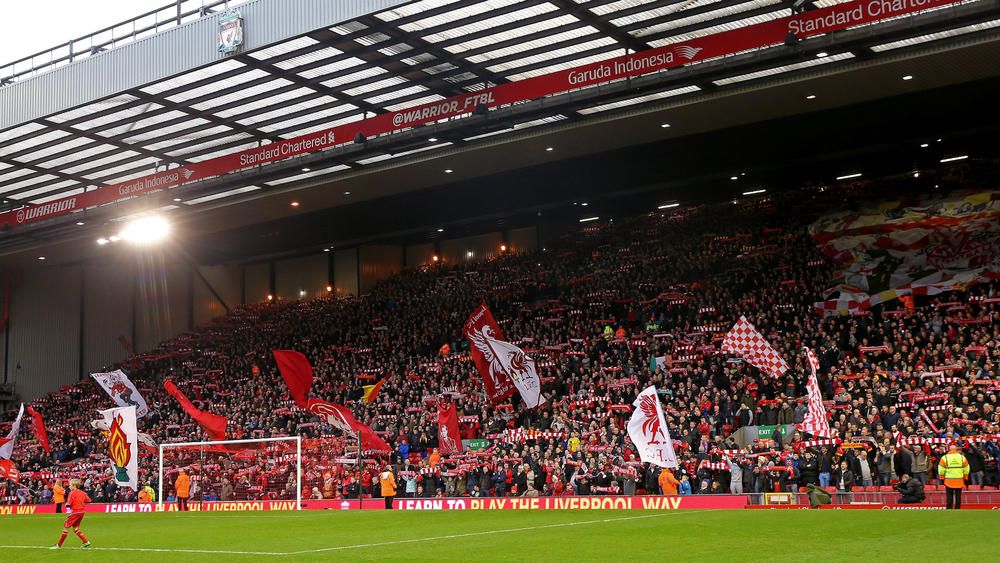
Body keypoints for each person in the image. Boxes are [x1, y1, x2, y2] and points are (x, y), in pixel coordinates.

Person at [49, 479, 91, 549]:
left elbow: (68, 504)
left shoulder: (72, 493)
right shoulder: (83, 493)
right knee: (75, 528)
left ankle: (58, 545)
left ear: (74, 485)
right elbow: (88, 500)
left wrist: (67, 505)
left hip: (75, 512)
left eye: (70, 485)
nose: (69, 486)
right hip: (82, 512)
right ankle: (86, 542)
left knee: (65, 528)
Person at [938, 444, 970, 510]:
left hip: (948, 480)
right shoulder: (962, 457)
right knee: (958, 496)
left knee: (949, 495)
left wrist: (942, 476)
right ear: (956, 450)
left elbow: (941, 469)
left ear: (949, 449)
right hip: (959, 480)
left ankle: (949, 508)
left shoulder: (945, 457)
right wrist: (965, 476)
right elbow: (966, 468)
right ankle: (957, 508)